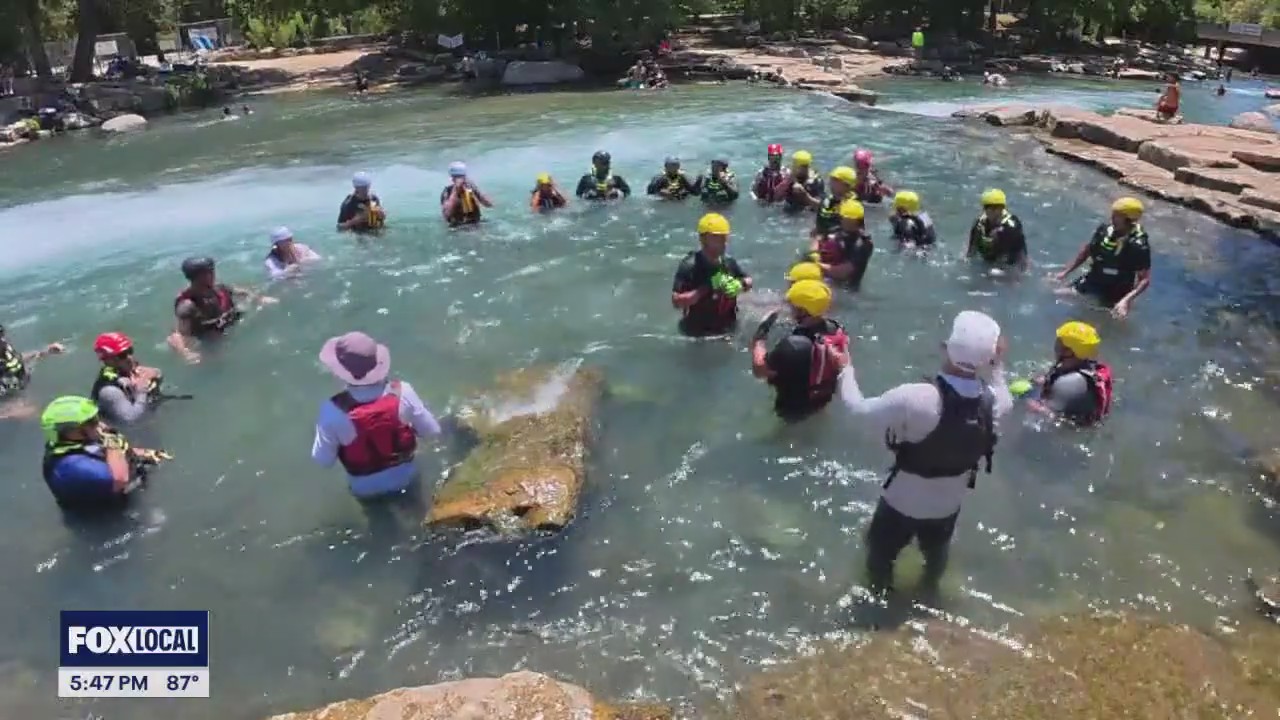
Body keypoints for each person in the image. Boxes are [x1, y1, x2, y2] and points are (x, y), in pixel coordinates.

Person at [838, 310, 1013, 597]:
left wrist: (846, 368)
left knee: (879, 561)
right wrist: (997, 363)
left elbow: (857, 410)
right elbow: (998, 381)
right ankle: (929, 592)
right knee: (935, 559)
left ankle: (880, 604)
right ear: (990, 357)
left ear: (945, 347)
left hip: (899, 505)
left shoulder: (915, 397)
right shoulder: (998, 403)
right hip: (947, 510)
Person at [312, 332, 442, 506]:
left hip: (365, 489)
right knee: (419, 509)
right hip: (407, 478)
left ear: (340, 373)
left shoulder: (332, 410)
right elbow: (432, 431)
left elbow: (323, 460)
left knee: (376, 514)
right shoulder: (403, 392)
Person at [40, 396, 168, 512]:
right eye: (92, 422)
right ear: (70, 431)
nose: (101, 425)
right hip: (103, 516)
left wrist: (145, 453)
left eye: (97, 418)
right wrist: (111, 442)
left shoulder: (75, 442)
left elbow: (104, 452)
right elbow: (120, 479)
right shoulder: (71, 466)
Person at [751, 279, 849, 422]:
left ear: (802, 311)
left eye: (792, 306)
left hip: (792, 411)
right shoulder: (837, 329)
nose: (789, 309)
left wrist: (759, 337)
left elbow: (760, 370)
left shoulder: (794, 345)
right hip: (823, 402)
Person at [1054, 196, 1151, 319]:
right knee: (1056, 295)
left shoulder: (1138, 245)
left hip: (1118, 289)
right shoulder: (1104, 230)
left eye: (1117, 216)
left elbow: (1144, 280)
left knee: (1116, 319)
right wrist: (1065, 273)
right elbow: (1087, 251)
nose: (1112, 218)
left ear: (1128, 220)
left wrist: (1126, 301)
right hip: (1095, 279)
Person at [169, 257, 274, 363]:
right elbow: (178, 335)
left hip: (229, 320)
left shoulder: (219, 288)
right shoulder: (187, 306)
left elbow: (243, 292)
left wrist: (260, 299)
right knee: (216, 346)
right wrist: (185, 353)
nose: (213, 274)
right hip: (210, 334)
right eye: (209, 272)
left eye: (212, 271)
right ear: (198, 277)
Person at [671, 213, 754, 337]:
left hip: (728, 327)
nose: (723, 242)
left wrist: (740, 285)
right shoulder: (689, 266)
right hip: (696, 332)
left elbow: (748, 280)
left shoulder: (728, 262)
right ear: (703, 239)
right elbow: (676, 301)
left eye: (724, 237)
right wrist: (707, 288)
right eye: (716, 238)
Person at [1026, 322, 1114, 427]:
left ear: (1069, 351)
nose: (1055, 344)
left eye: (1059, 341)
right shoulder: (1085, 364)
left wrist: (1029, 402)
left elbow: (1049, 417)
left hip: (1070, 429)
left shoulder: (1068, 384)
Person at [90, 332, 165, 425]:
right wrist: (142, 391)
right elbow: (131, 420)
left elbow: (157, 375)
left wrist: (155, 374)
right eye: (122, 355)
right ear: (108, 360)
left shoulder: (127, 368)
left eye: (130, 351)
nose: (129, 358)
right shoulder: (109, 391)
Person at [0, 324, 65, 418]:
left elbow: (18, 359)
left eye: (1, 335)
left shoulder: (4, 348)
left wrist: (45, 352)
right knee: (34, 410)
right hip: (9, 400)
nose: (3, 340)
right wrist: (10, 413)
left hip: (19, 386)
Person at [810, 199, 874, 290]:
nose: (846, 221)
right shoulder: (836, 230)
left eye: (850, 219)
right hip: (824, 278)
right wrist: (814, 254)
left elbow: (843, 273)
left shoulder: (863, 243)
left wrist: (816, 265)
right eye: (845, 218)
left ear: (858, 220)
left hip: (846, 289)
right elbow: (818, 238)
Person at [967, 189, 1028, 270]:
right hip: (989, 260)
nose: (993, 212)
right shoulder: (979, 224)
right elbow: (972, 249)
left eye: (996, 208)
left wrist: (1000, 234)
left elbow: (1018, 253)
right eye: (989, 208)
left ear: (1002, 208)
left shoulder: (1012, 225)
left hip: (1011, 262)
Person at [441, 161, 494, 227]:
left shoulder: (470, 186)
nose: (460, 180)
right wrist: (456, 191)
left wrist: (476, 190)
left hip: (475, 223)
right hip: (458, 226)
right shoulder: (447, 191)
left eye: (462, 177)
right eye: (457, 177)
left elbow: (489, 204)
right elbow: (447, 215)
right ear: (452, 179)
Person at [812, 166, 856, 238]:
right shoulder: (826, 202)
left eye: (835, 181)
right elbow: (818, 229)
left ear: (846, 185)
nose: (831, 183)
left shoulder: (855, 205)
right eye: (831, 180)